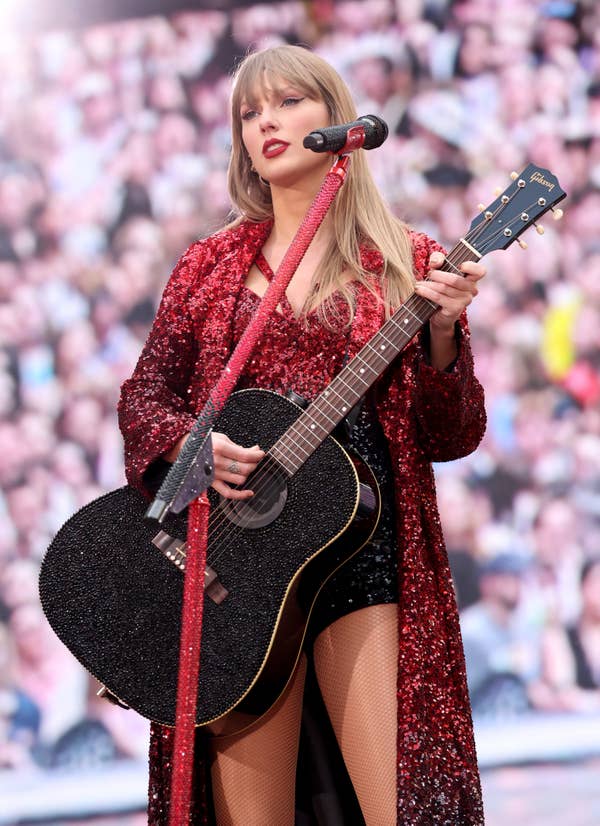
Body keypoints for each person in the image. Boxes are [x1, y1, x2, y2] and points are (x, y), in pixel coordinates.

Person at [118, 44, 487, 826]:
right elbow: (146, 395)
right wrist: (191, 446)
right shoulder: (207, 267)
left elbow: (451, 434)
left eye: (285, 102)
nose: (265, 123)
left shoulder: (407, 262)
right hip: (239, 568)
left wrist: (445, 333)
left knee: (401, 807)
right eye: (249, 113)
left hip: (364, 553)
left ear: (337, 119)